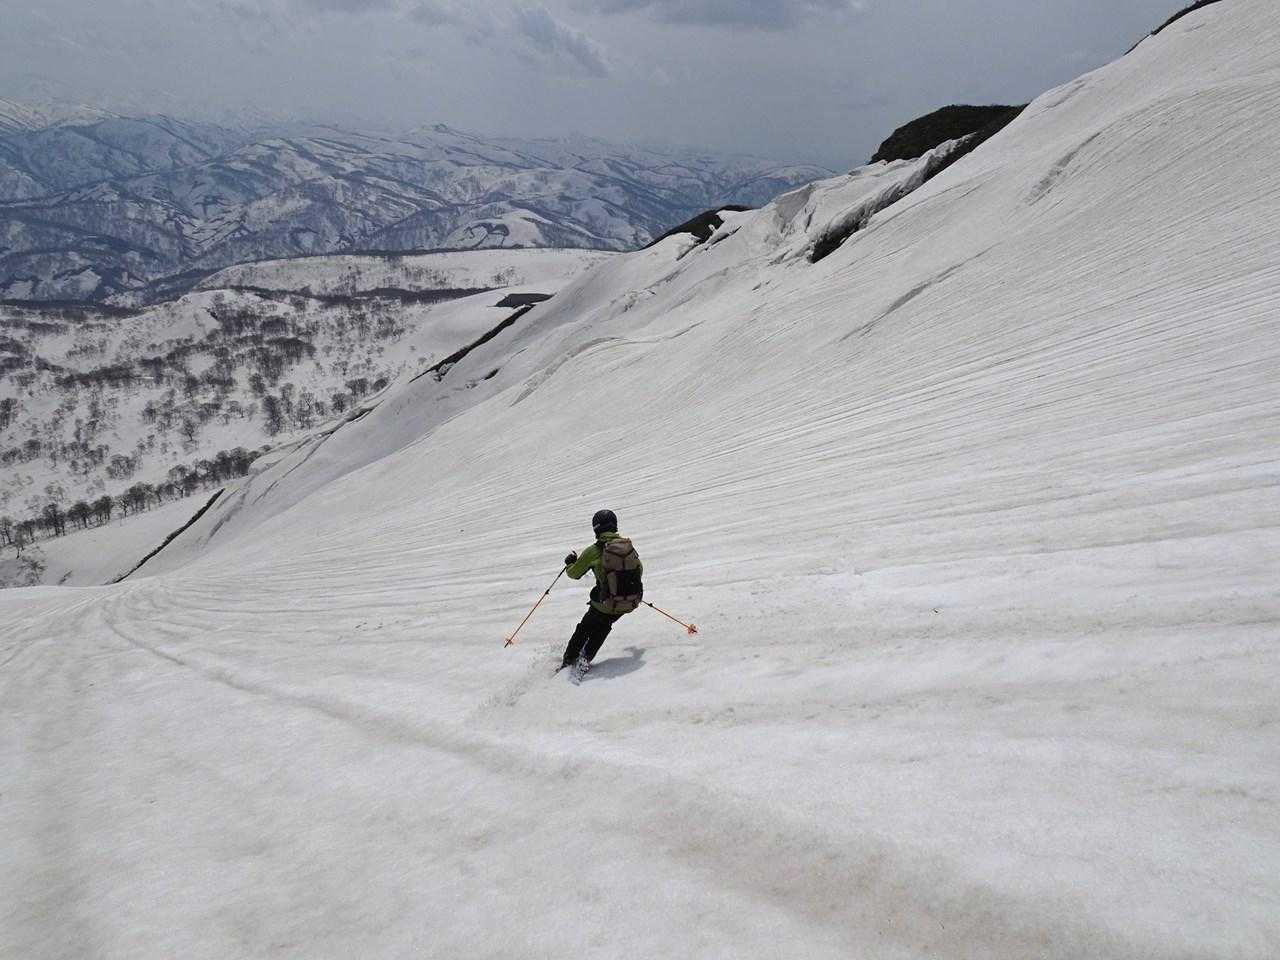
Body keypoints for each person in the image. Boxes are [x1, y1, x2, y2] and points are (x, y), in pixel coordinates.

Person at [560, 509, 644, 679]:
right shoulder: (627, 547)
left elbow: (574, 574)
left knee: (584, 629)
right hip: (626, 603)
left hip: (604, 603)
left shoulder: (594, 550)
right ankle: (585, 660)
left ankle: (567, 663)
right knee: (603, 628)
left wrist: (570, 564)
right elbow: (639, 569)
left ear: (596, 528)